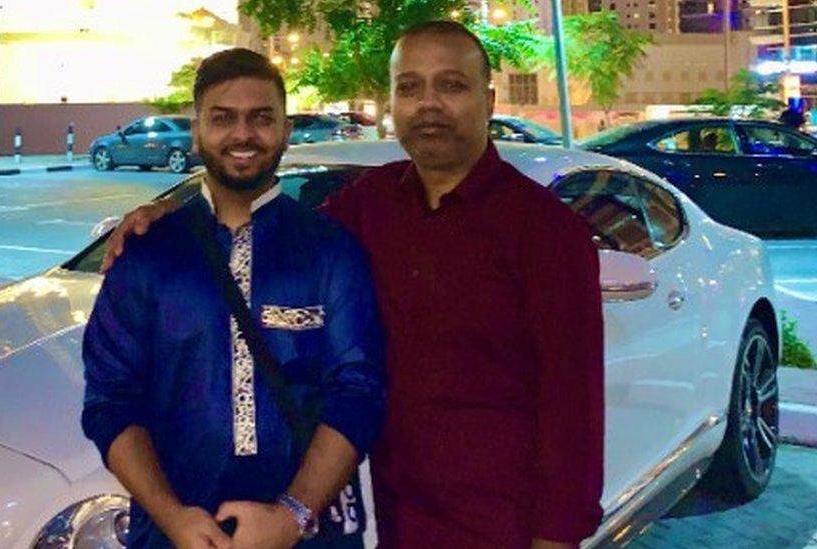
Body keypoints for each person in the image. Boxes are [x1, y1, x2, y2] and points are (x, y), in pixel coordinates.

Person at [101, 21, 604, 549]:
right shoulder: (373, 204)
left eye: (451, 85)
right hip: (398, 515)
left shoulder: (546, 231)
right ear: (391, 102)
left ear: (490, 98)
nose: (428, 104)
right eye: (409, 87)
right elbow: (262, 222)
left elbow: (574, 408)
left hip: (502, 523)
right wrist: (170, 215)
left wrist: (556, 538)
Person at [81, 48, 385, 549]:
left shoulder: (330, 251)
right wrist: (174, 518)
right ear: (197, 131)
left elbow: (358, 392)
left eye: (261, 119)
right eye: (223, 119)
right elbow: (109, 402)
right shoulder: (148, 254)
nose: (243, 135)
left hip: (309, 534)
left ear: (285, 130)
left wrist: (292, 516)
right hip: (173, 535)